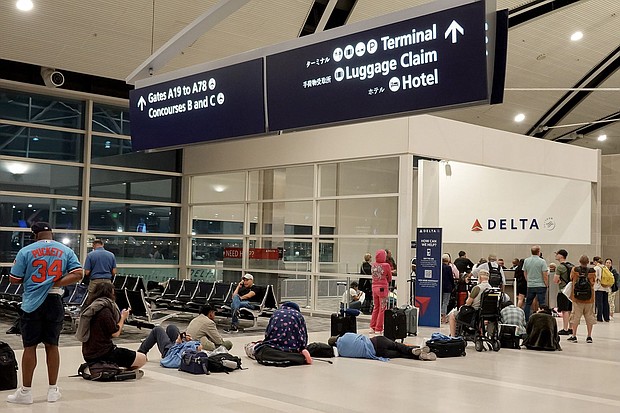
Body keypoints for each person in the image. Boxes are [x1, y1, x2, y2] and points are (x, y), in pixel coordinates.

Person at [7, 222, 83, 404]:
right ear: (51, 234)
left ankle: (26, 392)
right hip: (54, 301)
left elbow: (14, 278)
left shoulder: (26, 251)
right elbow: (79, 273)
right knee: (52, 345)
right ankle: (52, 390)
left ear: (35, 235)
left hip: (32, 303)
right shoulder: (65, 250)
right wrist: (55, 283)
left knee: (30, 346)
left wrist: (33, 280)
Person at [77, 283, 146, 372]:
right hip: (104, 352)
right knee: (143, 359)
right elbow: (115, 333)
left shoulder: (92, 308)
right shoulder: (105, 311)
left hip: (88, 353)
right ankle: (116, 370)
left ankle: (106, 367)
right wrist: (123, 317)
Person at [328, 332, 436, 361]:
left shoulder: (342, 352)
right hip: (376, 341)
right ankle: (414, 349)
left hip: (377, 353)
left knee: (400, 354)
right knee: (397, 345)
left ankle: (419, 356)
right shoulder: (346, 336)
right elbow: (360, 337)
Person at [449, 271, 492, 336]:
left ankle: (453, 336)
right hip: (485, 313)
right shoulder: (491, 288)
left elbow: (468, 303)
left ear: (480, 277)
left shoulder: (477, 288)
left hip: (473, 314)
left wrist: (469, 296)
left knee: (452, 315)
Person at [567, 255, 596, 343]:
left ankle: (574, 335)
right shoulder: (592, 271)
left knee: (576, 316)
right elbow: (593, 282)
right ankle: (589, 336)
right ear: (588, 262)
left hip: (577, 298)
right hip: (589, 298)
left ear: (580, 261)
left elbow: (571, 278)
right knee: (589, 317)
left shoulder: (575, 270)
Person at [369, 249, 392, 334]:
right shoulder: (386, 265)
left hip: (374, 288)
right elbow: (389, 277)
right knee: (382, 308)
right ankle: (379, 328)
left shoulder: (373, 265)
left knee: (376, 307)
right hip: (382, 288)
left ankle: (372, 327)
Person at [522, 245, 548, 320]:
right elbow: (545, 274)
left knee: (528, 303)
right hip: (541, 285)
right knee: (542, 303)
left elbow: (525, 272)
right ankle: (542, 319)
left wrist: (528, 280)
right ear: (538, 252)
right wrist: (546, 284)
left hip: (530, 285)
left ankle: (527, 319)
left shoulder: (526, 260)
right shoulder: (542, 261)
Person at [553, 249, 573, 335]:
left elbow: (555, 280)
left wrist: (559, 281)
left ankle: (565, 328)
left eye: (557, 254)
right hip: (571, 291)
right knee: (570, 310)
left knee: (564, 311)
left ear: (561, 256)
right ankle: (571, 328)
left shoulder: (560, 267)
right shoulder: (571, 265)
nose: (555, 256)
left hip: (563, 291)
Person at [593, 256, 610, 323]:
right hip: (606, 287)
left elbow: (595, 277)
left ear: (595, 261)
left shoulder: (596, 268)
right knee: (605, 302)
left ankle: (599, 317)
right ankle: (606, 317)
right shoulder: (605, 267)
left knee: (599, 303)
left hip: (598, 287)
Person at [441, 254, 455, 323]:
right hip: (447, 286)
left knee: (440, 302)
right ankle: (443, 317)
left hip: (440, 287)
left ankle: (440, 316)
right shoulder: (448, 268)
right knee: (445, 302)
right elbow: (451, 278)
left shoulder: (439, 267)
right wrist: (453, 286)